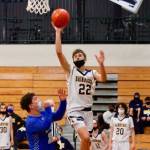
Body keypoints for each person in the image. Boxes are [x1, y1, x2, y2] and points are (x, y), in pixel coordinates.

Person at [53, 24, 106, 150]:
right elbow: (59, 52)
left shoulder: (92, 73)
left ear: (85, 58)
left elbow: (103, 79)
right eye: (75, 56)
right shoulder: (70, 71)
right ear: (73, 60)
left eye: (80, 55)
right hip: (74, 110)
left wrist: (102, 64)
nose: (77, 57)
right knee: (86, 138)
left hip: (88, 112)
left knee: (87, 142)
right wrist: (58, 32)